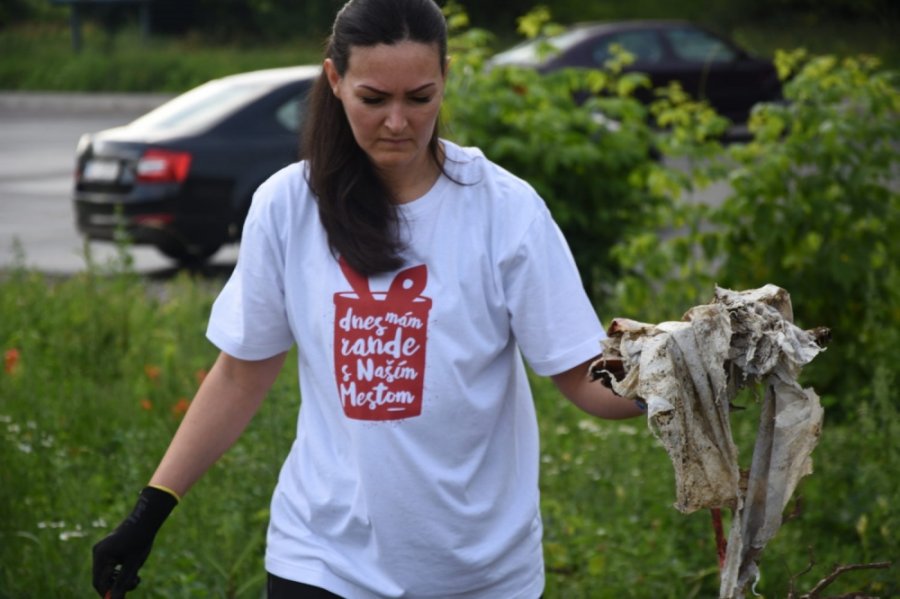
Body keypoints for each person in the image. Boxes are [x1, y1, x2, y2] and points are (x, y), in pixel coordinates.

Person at [91, 0, 644, 597]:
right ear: (335, 80)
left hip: (479, 574)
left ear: (445, 78)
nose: (398, 122)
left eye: (420, 98)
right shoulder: (288, 206)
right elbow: (239, 376)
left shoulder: (504, 210)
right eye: (373, 99)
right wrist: (150, 510)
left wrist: (675, 375)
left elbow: (584, 378)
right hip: (322, 562)